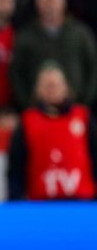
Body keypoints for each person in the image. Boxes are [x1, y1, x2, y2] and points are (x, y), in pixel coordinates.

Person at [7, 62, 97, 200]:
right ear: (38, 90)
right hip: (41, 202)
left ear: (66, 87)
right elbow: (16, 165)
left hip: (82, 201)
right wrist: (16, 199)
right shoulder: (27, 121)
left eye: (55, 85)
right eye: (47, 86)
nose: (52, 90)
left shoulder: (83, 117)